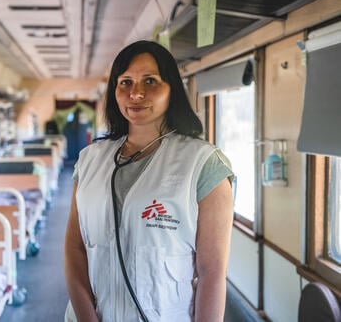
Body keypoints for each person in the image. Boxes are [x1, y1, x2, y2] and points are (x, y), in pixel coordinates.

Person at [64, 40, 234, 322]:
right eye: (125, 82)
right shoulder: (89, 160)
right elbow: (75, 248)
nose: (136, 93)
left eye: (150, 81)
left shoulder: (202, 163)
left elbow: (212, 274)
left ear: (172, 90)